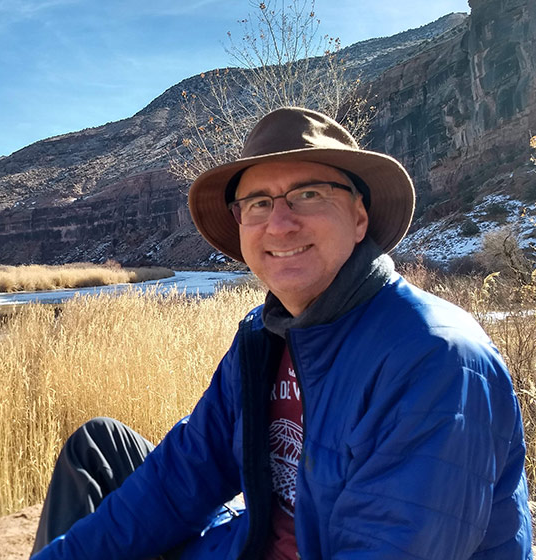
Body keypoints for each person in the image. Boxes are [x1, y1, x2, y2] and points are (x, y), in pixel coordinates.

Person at [29, 107, 533, 559]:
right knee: (99, 447)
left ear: (359, 217)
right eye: (259, 203)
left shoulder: (433, 358)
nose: (281, 223)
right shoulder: (264, 335)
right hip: (251, 540)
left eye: (308, 194)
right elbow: (184, 472)